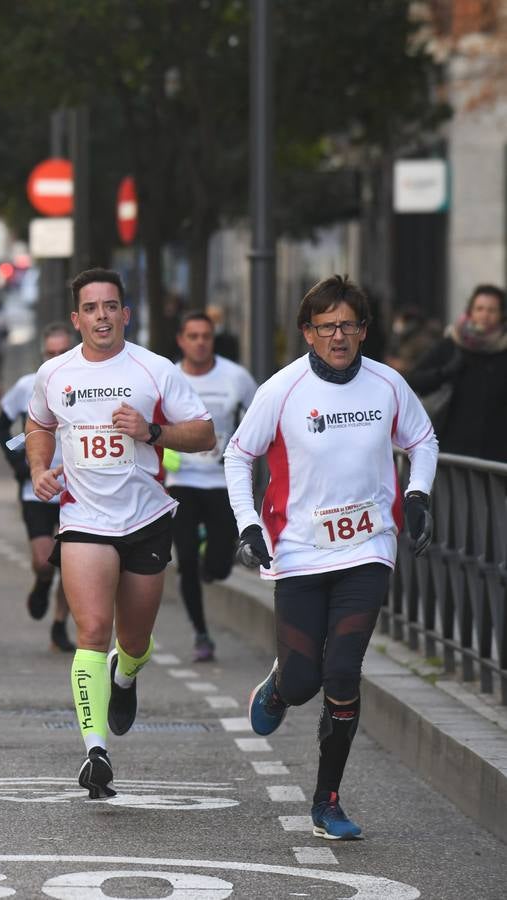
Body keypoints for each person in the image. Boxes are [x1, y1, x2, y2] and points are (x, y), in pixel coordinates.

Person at [227, 275, 437, 840]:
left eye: (349, 325)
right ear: (308, 333)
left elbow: (423, 439)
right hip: (299, 549)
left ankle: (328, 801)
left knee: (342, 672)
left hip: (368, 548)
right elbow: (238, 453)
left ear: (364, 331)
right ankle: (278, 687)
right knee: (302, 684)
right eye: (327, 326)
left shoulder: (387, 384)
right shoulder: (283, 389)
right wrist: (249, 525)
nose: (339, 335)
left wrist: (417, 495)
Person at [25, 268, 214, 799]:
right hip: (84, 518)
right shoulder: (54, 373)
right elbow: (38, 424)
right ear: (77, 318)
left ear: (125, 315)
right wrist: (41, 469)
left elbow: (204, 433)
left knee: (132, 639)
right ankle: (95, 751)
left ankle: (125, 674)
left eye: (111, 306)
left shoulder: (155, 371)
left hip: (146, 518)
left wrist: (152, 431)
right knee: (92, 629)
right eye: (91, 308)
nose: (102, 316)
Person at [165, 312, 257, 663]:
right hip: (182, 481)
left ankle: (211, 560)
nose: (200, 342)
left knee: (218, 566)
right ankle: (201, 633)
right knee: (185, 560)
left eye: (206, 335)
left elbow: (258, 418)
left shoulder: (236, 377)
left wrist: (244, 450)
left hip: (222, 482)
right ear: (181, 341)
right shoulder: (168, 377)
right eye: (193, 336)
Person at [0, 323, 76, 653]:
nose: (56, 359)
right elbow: (2, 424)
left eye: (62, 353)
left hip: (77, 489)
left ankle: (59, 624)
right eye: (50, 353)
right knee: (45, 562)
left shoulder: (88, 382)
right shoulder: (29, 385)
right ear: (42, 354)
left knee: (72, 565)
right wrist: (21, 464)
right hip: (37, 488)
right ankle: (42, 583)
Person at [406, 284, 507, 462]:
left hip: (498, 457)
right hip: (454, 453)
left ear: (501, 315)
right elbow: (414, 380)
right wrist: (445, 372)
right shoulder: (453, 344)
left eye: (492, 310)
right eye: (480, 309)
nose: (485, 315)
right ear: (470, 312)